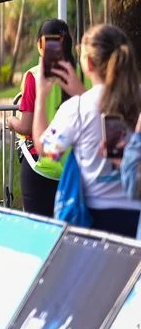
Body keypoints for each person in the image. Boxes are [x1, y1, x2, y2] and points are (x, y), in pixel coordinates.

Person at [40, 24, 141, 236]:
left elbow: (47, 151)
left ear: (88, 63)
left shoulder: (77, 108)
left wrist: (41, 97)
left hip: (96, 221)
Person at [8, 19, 78, 217]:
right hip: (75, 168)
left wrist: (11, 122)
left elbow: (26, 126)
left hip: (43, 166)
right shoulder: (83, 73)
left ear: (40, 44)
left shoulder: (34, 75)